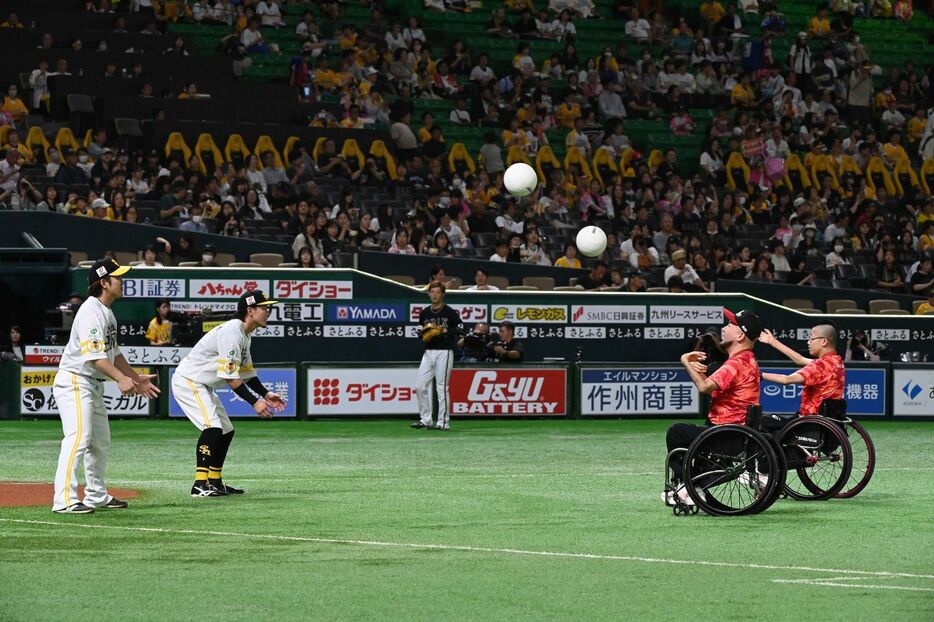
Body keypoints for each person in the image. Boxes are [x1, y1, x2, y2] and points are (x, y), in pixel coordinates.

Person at [52, 259, 161, 513]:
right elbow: (95, 358)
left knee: (100, 442)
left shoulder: (107, 311)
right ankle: (64, 499)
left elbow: (114, 353)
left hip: (92, 384)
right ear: (104, 283)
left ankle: (96, 495)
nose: (123, 281)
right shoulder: (91, 311)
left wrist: (134, 377)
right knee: (78, 438)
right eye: (118, 277)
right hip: (75, 382)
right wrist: (120, 379)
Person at [172, 290, 286, 497]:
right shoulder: (232, 332)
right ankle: (199, 484)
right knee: (213, 428)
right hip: (189, 381)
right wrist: (255, 402)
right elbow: (230, 378)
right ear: (250, 311)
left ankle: (214, 481)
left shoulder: (244, 334)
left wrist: (266, 394)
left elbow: (246, 374)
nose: (268, 311)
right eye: (264, 307)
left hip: (203, 384)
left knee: (226, 430)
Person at [663, 308, 763, 507]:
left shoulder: (736, 363)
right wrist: (698, 370)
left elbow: (704, 387)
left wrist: (685, 360)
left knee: (676, 432)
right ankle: (693, 487)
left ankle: (688, 487)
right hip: (736, 434)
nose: (724, 328)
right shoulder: (748, 360)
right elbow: (712, 385)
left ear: (740, 334)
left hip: (723, 435)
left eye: (730, 325)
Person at [759, 323, 844, 416]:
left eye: (811, 338)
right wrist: (772, 341)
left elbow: (786, 380)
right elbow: (800, 360)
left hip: (811, 421)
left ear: (824, 341)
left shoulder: (820, 365)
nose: (808, 342)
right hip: (829, 419)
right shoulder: (836, 361)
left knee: (767, 421)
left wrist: (760, 375)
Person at [413, 281, 462, 431]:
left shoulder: (449, 312)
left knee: (441, 387)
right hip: (428, 352)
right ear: (428, 294)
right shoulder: (425, 313)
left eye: (437, 292)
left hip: (444, 351)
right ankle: (426, 420)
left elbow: (461, 329)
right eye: (432, 292)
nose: (434, 295)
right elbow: (421, 332)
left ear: (442, 294)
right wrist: (423, 334)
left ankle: (443, 422)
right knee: (420, 386)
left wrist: (444, 330)